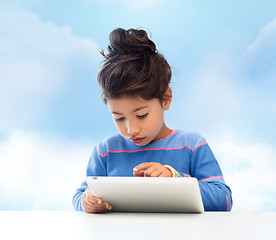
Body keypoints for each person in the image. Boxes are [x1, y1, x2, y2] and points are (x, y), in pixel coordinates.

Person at [72, 28, 233, 213]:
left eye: (141, 115)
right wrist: (87, 203)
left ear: (165, 99)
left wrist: (176, 179)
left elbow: (224, 200)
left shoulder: (191, 145)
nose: (131, 129)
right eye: (119, 118)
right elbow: (80, 197)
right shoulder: (106, 151)